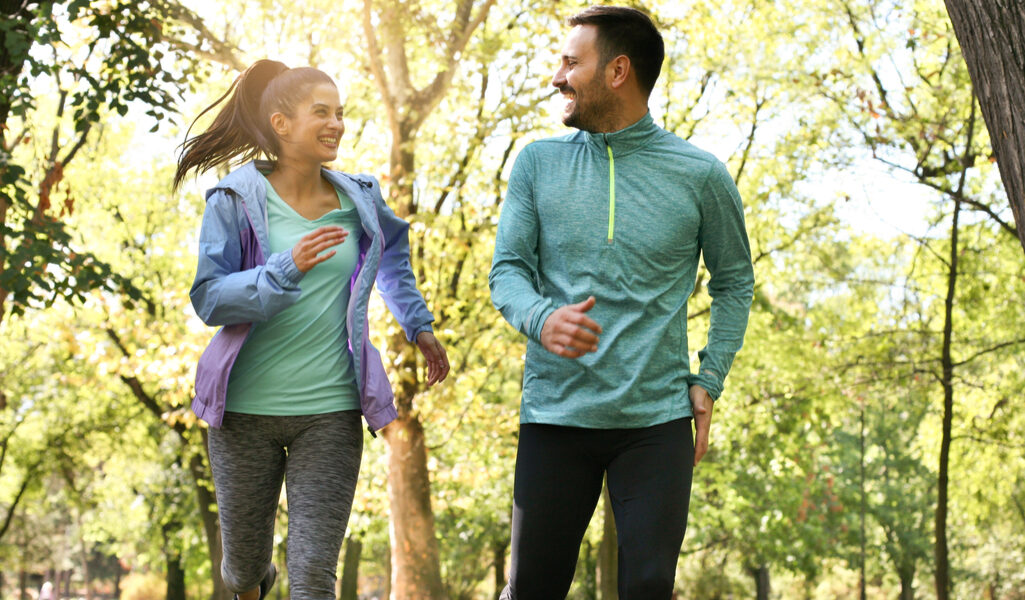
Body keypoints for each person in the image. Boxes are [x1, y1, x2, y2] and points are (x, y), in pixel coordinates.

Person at [489, 6, 754, 599]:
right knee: (531, 585)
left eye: (570, 62)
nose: (558, 77)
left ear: (617, 71)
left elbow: (734, 281)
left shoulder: (700, 175)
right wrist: (541, 318)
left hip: (655, 420)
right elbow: (507, 271)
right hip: (556, 414)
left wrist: (709, 376)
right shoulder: (538, 163)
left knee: (651, 583)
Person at [175, 59, 450, 600]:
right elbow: (209, 298)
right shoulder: (234, 200)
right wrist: (284, 268)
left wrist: (418, 324)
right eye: (321, 112)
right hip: (244, 412)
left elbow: (393, 258)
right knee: (243, 567)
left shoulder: (360, 198)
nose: (337, 124)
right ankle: (251, 582)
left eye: (341, 113)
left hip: (331, 411)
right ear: (281, 123)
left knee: (313, 577)